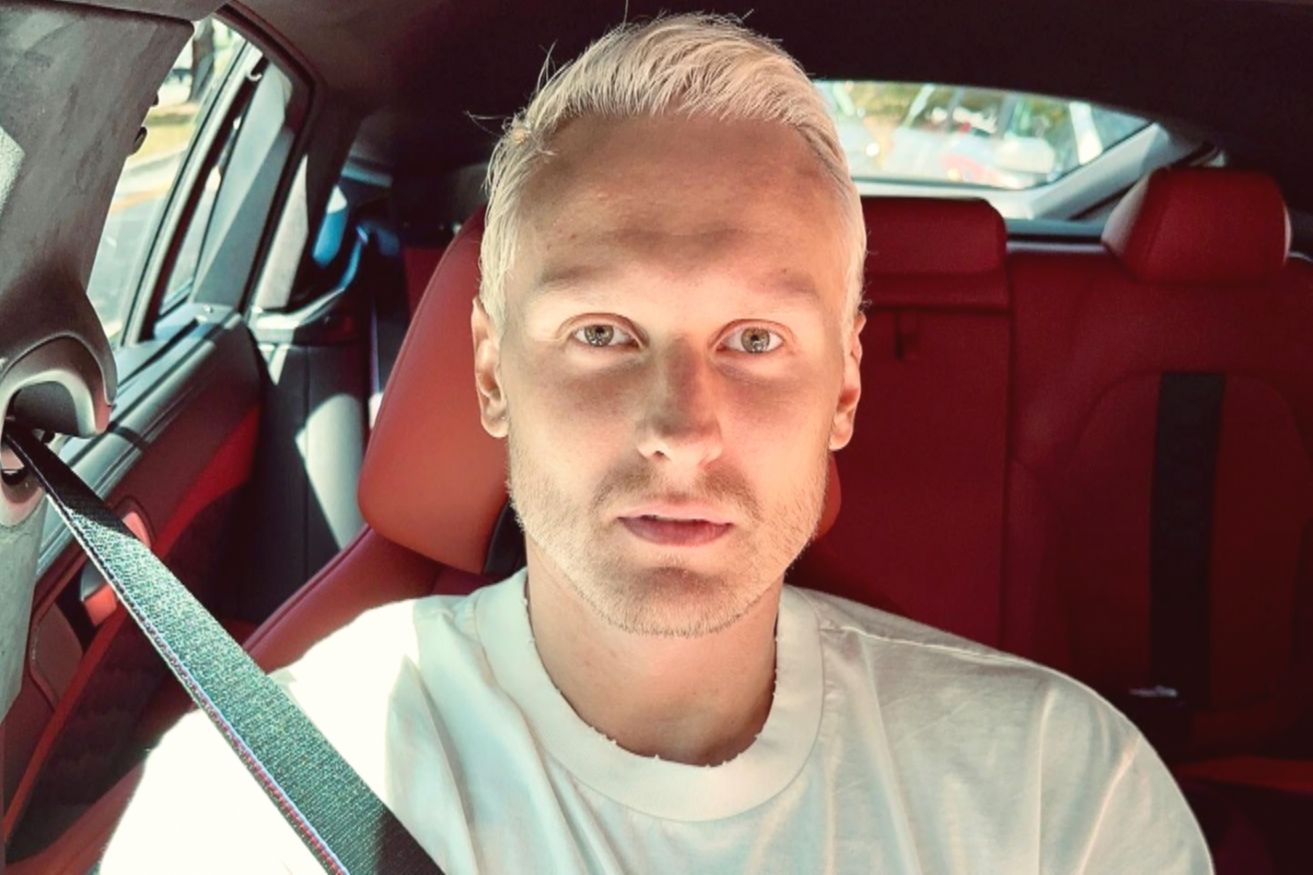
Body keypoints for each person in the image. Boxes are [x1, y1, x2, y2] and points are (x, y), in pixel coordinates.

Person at [102, 14, 1212, 873]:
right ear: (492, 374)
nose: (681, 430)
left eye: (754, 339)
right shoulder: (264, 795)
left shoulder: (1061, 793)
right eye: (602, 333)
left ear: (844, 387)